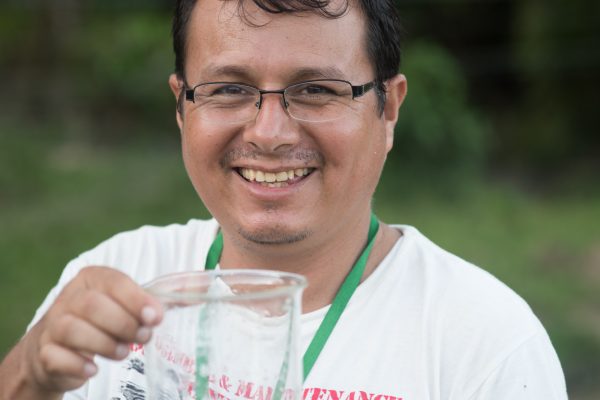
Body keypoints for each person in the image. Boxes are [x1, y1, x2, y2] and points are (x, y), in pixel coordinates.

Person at [0, 0, 568, 398]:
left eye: (316, 90)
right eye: (229, 89)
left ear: (388, 109)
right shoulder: (116, 280)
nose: (269, 133)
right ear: (181, 106)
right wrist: (30, 375)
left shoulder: (485, 345)